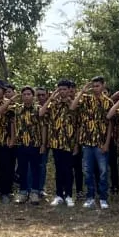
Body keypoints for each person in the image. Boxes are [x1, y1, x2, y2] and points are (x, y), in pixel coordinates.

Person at [71, 76, 113, 209]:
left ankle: (103, 198)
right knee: (87, 171)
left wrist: (107, 143)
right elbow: (72, 107)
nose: (95, 88)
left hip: (101, 143)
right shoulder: (86, 99)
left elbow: (110, 124)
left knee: (103, 172)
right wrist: (82, 91)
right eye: (93, 86)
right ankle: (90, 197)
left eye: (98, 86)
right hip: (87, 143)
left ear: (103, 86)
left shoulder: (108, 102)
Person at [44, 79, 79, 207]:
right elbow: (42, 112)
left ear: (69, 90)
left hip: (69, 143)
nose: (62, 92)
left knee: (69, 170)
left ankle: (69, 195)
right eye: (60, 89)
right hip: (56, 142)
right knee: (58, 170)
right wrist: (52, 97)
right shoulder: (54, 104)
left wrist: (76, 144)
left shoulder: (75, 104)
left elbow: (78, 125)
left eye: (65, 89)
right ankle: (59, 195)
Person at [8, 86, 47, 203]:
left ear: (33, 96)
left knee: (36, 169)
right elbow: (13, 125)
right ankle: (23, 192)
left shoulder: (39, 109)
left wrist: (43, 144)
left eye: (29, 94)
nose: (26, 96)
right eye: (24, 94)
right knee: (22, 169)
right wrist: (13, 139)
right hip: (21, 144)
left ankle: (35, 192)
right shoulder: (17, 109)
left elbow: (44, 127)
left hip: (35, 144)